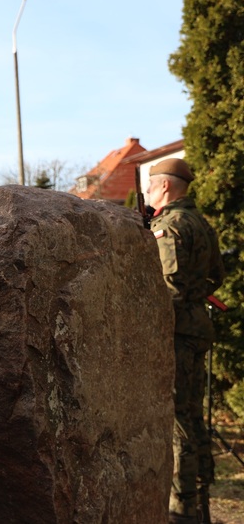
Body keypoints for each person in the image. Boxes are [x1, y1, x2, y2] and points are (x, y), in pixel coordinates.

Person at [147, 158, 225, 524]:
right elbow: (217, 277)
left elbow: (170, 289)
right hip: (196, 327)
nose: (146, 193)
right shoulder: (201, 224)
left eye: (150, 186)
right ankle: (201, 499)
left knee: (176, 419)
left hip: (175, 332)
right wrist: (196, 298)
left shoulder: (170, 225)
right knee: (193, 416)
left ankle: (182, 508)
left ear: (164, 187)